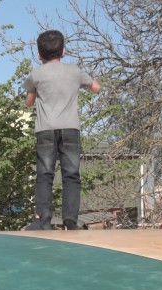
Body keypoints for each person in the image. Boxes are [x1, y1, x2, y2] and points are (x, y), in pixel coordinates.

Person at [24, 30, 101, 231]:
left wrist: (34, 94)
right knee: (71, 175)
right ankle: (70, 219)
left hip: (45, 130)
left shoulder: (36, 74)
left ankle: (44, 219)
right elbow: (96, 88)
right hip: (70, 129)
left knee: (45, 174)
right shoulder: (75, 71)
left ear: (39, 54)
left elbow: (29, 102)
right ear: (63, 51)